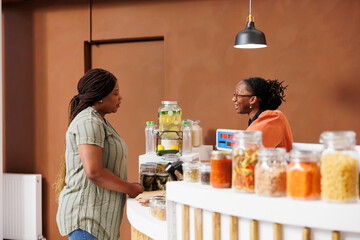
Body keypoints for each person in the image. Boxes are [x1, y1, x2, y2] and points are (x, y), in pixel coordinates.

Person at [55, 68, 144, 240]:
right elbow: (94, 172)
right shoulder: (89, 121)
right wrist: (130, 189)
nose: (120, 97)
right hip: (87, 220)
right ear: (100, 96)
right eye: (115, 93)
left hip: (98, 220)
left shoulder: (99, 120)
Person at [232, 77, 293, 152]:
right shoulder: (258, 119)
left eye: (238, 95)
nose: (234, 99)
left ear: (253, 100)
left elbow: (245, 151)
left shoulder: (273, 118)